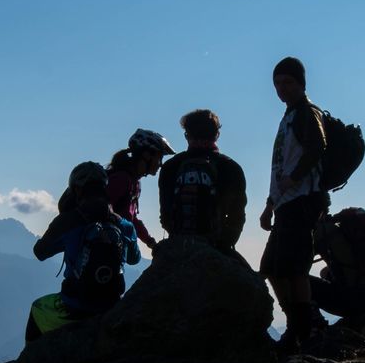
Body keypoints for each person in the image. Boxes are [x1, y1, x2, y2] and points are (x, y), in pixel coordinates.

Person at [259, 56, 330, 353]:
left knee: (294, 269)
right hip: (287, 203)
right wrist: (270, 204)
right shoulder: (289, 116)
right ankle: (298, 324)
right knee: (273, 268)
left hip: (304, 202)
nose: (281, 89)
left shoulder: (305, 113)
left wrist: (296, 178)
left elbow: (318, 147)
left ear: (301, 83)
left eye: (287, 82)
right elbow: (281, 165)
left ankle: (304, 330)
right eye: (277, 83)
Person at [27, 162, 141, 342]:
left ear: (76, 190)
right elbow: (135, 259)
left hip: (75, 304)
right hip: (111, 305)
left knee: (37, 308)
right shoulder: (124, 225)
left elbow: (40, 252)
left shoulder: (67, 221)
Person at [57, 129, 175, 251]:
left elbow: (131, 218)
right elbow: (100, 211)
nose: (160, 164)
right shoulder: (122, 180)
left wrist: (150, 242)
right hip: (98, 247)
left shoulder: (134, 182)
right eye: (159, 157)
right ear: (146, 155)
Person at [157, 109, 248, 256]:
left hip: (178, 247)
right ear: (217, 135)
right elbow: (237, 216)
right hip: (216, 248)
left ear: (187, 135)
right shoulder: (230, 167)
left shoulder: (170, 167)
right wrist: (224, 245)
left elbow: (165, 214)